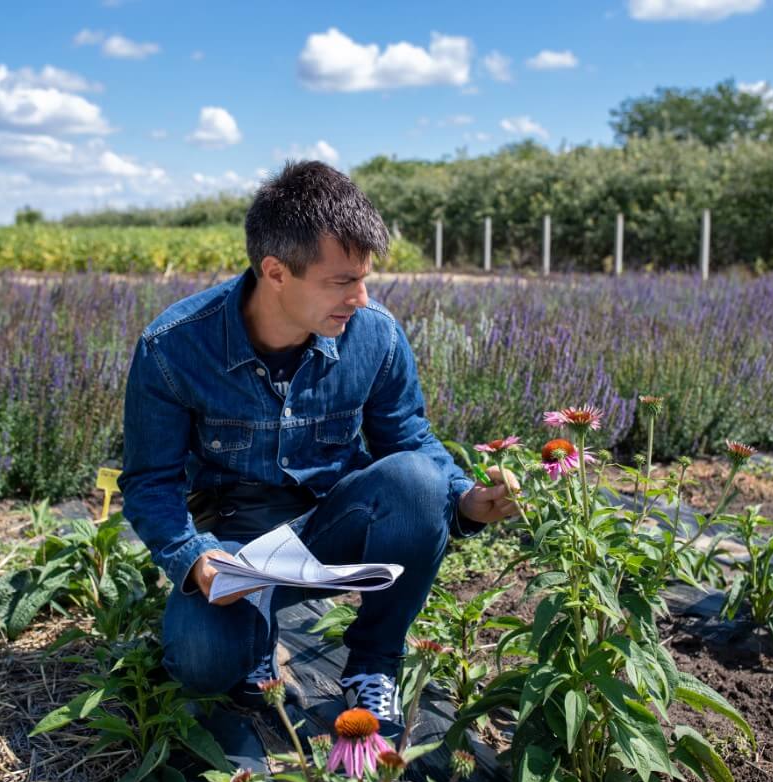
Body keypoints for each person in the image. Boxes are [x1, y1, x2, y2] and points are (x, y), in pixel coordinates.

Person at [119, 160, 518, 735]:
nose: (360, 297)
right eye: (340, 281)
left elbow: (408, 440)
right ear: (276, 271)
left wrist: (465, 498)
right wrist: (194, 558)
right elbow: (149, 482)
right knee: (203, 664)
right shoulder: (174, 347)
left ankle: (373, 663)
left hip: (331, 520)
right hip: (237, 543)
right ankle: (253, 635)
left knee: (417, 480)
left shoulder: (374, 333)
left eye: (364, 278)